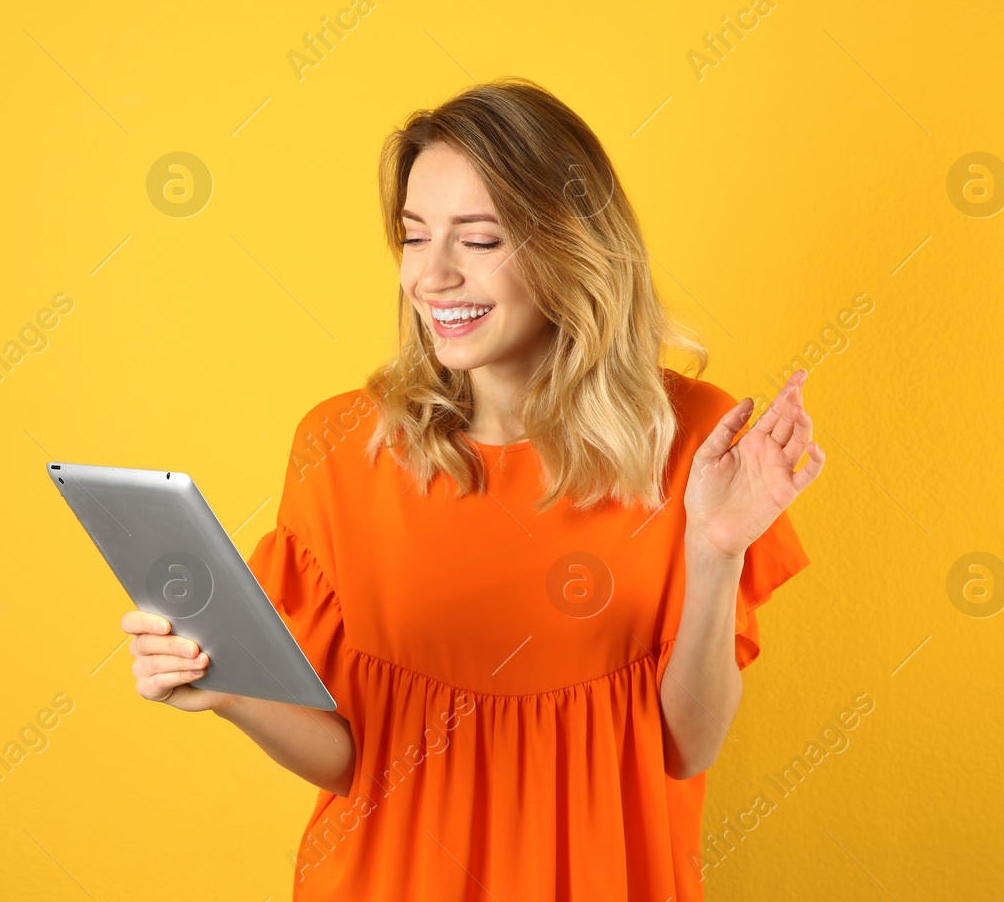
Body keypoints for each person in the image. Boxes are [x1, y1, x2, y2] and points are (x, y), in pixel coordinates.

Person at [120, 77, 825, 900]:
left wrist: (713, 552)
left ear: (570, 247)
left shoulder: (695, 444)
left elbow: (687, 749)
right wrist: (227, 690)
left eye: (480, 240)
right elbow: (353, 757)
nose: (433, 276)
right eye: (415, 237)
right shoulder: (340, 447)